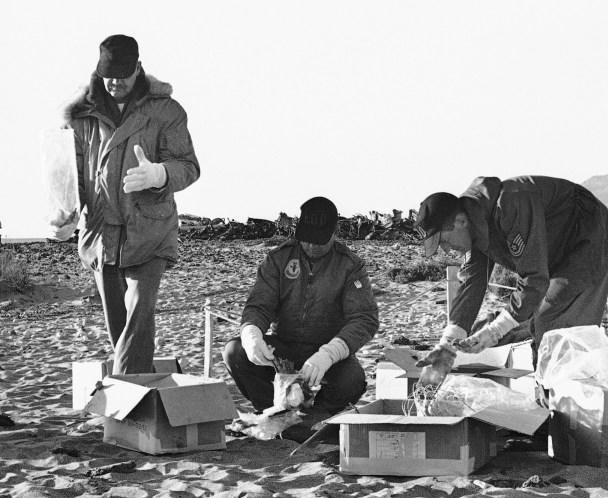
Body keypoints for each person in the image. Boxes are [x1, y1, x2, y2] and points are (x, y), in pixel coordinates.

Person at [51, 34, 200, 374]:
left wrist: (159, 174)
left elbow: (189, 166)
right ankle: (139, 390)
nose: (116, 82)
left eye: (123, 74)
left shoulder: (166, 112)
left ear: (138, 69)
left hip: (150, 230)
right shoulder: (79, 115)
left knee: (139, 309)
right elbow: (67, 174)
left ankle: (126, 396)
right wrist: (64, 213)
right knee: (119, 323)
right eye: (109, 74)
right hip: (101, 234)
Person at [414, 176, 608, 388]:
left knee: (553, 324)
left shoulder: (511, 205)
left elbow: (534, 278)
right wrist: (446, 346)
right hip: (557, 254)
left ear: (460, 220)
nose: (446, 250)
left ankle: (569, 406)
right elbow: (472, 283)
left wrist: (496, 331)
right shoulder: (475, 223)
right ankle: (549, 395)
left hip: (590, 237)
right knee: (537, 322)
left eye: (443, 240)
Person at [222, 197, 379, 440]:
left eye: (320, 240)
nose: (313, 246)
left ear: (333, 232)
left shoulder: (350, 265)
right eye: (307, 239)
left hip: (326, 352)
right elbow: (259, 305)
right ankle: (272, 411)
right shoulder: (278, 259)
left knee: (353, 379)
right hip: (283, 349)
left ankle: (312, 417)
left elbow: (364, 318)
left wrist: (330, 353)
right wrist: (251, 332)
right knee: (235, 352)